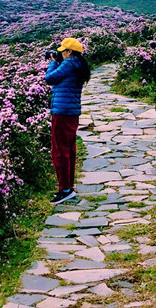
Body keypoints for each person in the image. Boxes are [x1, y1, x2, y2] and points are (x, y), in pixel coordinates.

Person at [45, 37, 91, 204]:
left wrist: (52, 63)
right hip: (71, 113)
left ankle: (65, 190)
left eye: (62, 51)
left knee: (59, 151)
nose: (60, 53)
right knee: (69, 150)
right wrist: (58, 62)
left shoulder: (69, 63)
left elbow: (49, 78)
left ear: (69, 52)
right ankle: (68, 187)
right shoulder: (78, 65)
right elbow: (61, 78)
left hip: (62, 113)